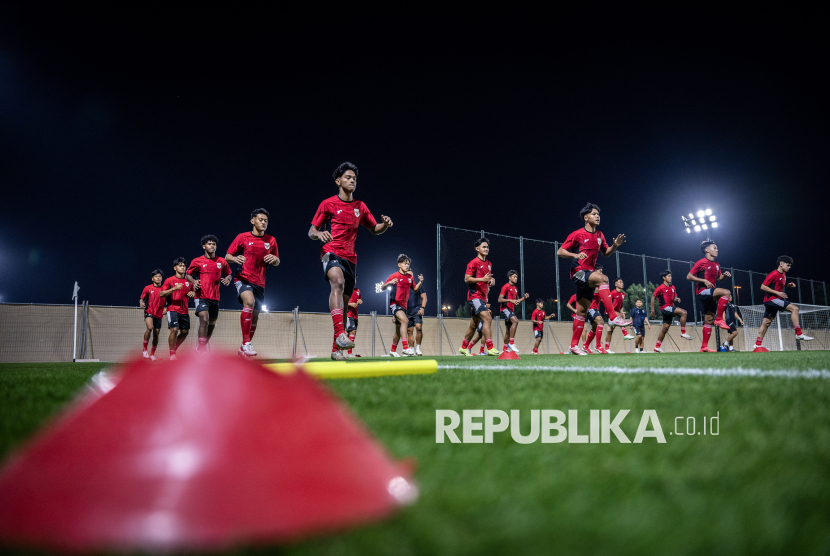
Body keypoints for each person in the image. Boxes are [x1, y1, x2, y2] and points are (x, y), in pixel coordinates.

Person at [309, 162, 393, 361]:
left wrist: (385, 225)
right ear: (338, 181)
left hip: (351, 258)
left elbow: (374, 228)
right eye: (348, 177)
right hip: (330, 252)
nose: (352, 180)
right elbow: (312, 230)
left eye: (354, 178)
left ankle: (336, 350)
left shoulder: (360, 207)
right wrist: (320, 234)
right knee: (336, 282)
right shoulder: (327, 204)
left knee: (345, 306)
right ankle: (340, 334)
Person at [558, 203, 630, 355]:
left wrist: (615, 246)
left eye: (598, 214)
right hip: (577, 272)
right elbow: (560, 251)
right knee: (604, 279)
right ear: (586, 217)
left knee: (582, 312)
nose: (598, 216)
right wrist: (575, 255)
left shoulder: (600, 235)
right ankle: (612, 317)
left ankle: (573, 346)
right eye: (594, 214)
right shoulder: (577, 234)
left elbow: (606, 252)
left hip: (589, 275)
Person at [227, 209, 280, 358]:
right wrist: (235, 259)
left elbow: (277, 260)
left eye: (266, 221)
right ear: (253, 221)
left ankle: (244, 346)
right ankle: (246, 343)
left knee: (255, 317)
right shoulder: (242, 237)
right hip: (242, 278)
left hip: (260, 283)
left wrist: (275, 260)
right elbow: (227, 256)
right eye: (261, 219)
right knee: (248, 302)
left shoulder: (271, 240)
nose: (263, 223)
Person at [754, 255, 814, 348]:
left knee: (766, 323)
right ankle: (798, 333)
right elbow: (762, 286)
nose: (789, 267)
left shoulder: (783, 274)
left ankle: (757, 345)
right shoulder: (773, 274)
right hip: (771, 299)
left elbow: (778, 284)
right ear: (781, 264)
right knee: (795, 309)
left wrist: (787, 285)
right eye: (788, 265)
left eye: (790, 266)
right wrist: (777, 292)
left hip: (772, 301)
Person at [187, 235, 232, 354]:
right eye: (209, 244)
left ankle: (202, 347)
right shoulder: (197, 261)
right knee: (204, 319)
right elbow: (188, 275)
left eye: (214, 244)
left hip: (215, 298)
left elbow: (229, 274)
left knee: (211, 324)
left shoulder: (221, 261)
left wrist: (228, 279)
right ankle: (201, 349)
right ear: (204, 246)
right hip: (201, 296)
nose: (212, 246)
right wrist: (194, 281)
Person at [687, 240, 732, 352]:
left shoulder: (716, 263)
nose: (717, 250)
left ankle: (704, 347)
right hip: (702, 292)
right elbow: (689, 276)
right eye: (714, 248)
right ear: (707, 250)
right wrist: (704, 280)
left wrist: (724, 276)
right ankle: (719, 319)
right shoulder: (701, 262)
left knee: (708, 320)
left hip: (711, 293)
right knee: (726, 292)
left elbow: (719, 278)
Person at [459, 237, 499, 356]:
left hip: (483, 297)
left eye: (487, 247)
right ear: (477, 249)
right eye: (484, 247)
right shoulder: (473, 263)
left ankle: (463, 347)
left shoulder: (489, 263)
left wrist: (491, 280)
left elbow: (487, 279)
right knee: (487, 318)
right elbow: (467, 279)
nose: (486, 249)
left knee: (473, 325)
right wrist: (483, 279)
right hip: (475, 296)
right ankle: (490, 348)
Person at [160, 257, 195, 360]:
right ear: (175, 268)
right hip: (172, 309)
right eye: (180, 265)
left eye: (184, 266)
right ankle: (172, 354)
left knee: (185, 332)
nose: (183, 267)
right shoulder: (169, 280)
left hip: (184, 310)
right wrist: (174, 288)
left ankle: (174, 349)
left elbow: (194, 291)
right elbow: (162, 294)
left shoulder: (188, 281)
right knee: (174, 330)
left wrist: (193, 293)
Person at [382, 255, 416, 357]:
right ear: (399, 265)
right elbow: (383, 287)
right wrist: (390, 283)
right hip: (394, 304)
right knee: (405, 321)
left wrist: (421, 281)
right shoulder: (394, 275)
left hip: (403, 306)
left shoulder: (409, 277)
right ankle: (405, 348)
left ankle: (393, 350)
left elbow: (415, 289)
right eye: (405, 263)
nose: (407, 265)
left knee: (398, 330)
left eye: (408, 264)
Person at [651, 270, 693, 353]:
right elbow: (653, 298)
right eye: (668, 276)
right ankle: (683, 332)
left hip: (670, 308)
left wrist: (676, 299)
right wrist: (653, 310)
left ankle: (657, 347)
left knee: (665, 329)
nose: (670, 277)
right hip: (665, 308)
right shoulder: (660, 288)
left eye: (671, 276)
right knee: (684, 312)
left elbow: (673, 297)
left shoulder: (672, 287)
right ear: (664, 277)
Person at [498, 270, 529, 353]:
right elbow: (500, 299)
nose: (516, 278)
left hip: (511, 310)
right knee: (515, 321)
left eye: (516, 277)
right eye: (514, 277)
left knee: (508, 330)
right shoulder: (505, 287)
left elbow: (517, 301)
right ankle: (511, 343)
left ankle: (504, 350)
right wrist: (510, 300)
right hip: (505, 309)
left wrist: (524, 298)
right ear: (509, 277)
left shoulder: (515, 289)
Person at [602, 277, 636, 353]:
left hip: (616, 313)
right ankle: (626, 334)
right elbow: (608, 303)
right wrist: (618, 313)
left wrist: (622, 312)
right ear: (615, 284)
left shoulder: (623, 294)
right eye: (620, 282)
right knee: (620, 320)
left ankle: (606, 349)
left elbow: (621, 305)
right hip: (609, 312)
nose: (622, 283)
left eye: (622, 282)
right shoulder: (612, 293)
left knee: (610, 331)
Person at [139, 269, 165, 360]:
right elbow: (141, 299)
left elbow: (169, 301)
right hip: (149, 311)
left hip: (159, 314)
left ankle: (152, 354)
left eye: (160, 276)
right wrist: (141, 303)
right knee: (150, 328)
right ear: (152, 279)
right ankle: (144, 350)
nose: (158, 278)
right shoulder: (148, 288)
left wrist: (167, 308)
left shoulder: (165, 289)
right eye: (156, 276)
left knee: (156, 334)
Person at [406, 273, 427, 356]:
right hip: (407, 312)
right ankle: (411, 349)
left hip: (417, 310)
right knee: (409, 331)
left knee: (418, 328)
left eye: (411, 275)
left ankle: (418, 348)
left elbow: (424, 297)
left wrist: (422, 308)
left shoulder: (418, 286)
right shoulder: (403, 286)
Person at [583, 287, 608, 354]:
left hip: (594, 308)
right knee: (601, 322)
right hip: (592, 308)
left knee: (594, 329)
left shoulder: (600, 287)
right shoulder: (595, 287)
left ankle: (585, 346)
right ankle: (598, 346)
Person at [345, 285, 362, 357]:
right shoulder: (345, 289)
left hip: (355, 316)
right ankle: (349, 353)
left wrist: (360, 301)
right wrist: (349, 304)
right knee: (352, 331)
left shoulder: (358, 290)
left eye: (355, 278)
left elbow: (360, 299)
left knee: (350, 334)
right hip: (348, 314)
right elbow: (340, 301)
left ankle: (343, 351)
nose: (354, 280)